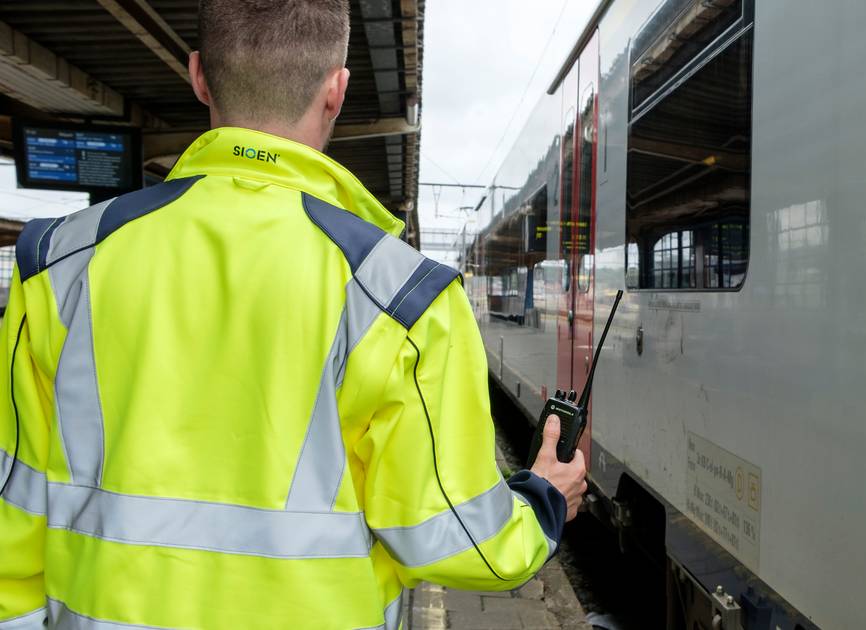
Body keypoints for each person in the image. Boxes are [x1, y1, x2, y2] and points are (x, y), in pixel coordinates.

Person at [0, 1, 586, 627]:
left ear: (199, 77)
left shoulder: (57, 266)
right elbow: (460, 539)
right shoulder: (402, 297)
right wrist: (543, 499)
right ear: (337, 90)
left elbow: (14, 519)